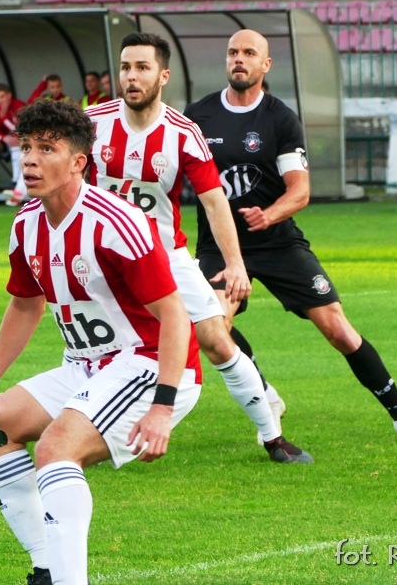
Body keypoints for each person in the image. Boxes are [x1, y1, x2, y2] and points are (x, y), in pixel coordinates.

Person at [0, 98, 201, 585]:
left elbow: (174, 315)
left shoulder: (116, 222)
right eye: (25, 148)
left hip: (148, 365)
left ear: (79, 161)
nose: (30, 160)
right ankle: (47, 567)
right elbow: (25, 305)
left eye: (47, 148)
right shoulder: (26, 224)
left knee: (57, 448)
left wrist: (162, 408)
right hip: (84, 366)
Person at [184, 29, 397, 446]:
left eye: (249, 53)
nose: (239, 59)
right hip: (221, 245)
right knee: (212, 329)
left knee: (338, 329)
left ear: (265, 65)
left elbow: (299, 190)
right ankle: (265, 395)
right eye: (233, 52)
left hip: (278, 242)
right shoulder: (199, 116)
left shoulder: (280, 119)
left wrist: (267, 216)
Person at [87, 32, 311, 463]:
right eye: (125, 68)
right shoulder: (93, 123)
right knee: (97, 347)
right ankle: (85, 431)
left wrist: (235, 264)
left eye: (142, 68)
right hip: (104, 261)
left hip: (165, 255)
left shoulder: (183, 132)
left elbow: (214, 201)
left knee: (216, 339)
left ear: (163, 76)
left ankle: (273, 436)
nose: (131, 77)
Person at [0, 82, 25, 193]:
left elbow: (22, 131)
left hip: (22, 140)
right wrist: (4, 138)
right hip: (6, 140)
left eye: (2, 96)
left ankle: (15, 180)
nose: (0, 100)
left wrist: (4, 119)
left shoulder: (19, 106)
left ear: (9, 95)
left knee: (15, 140)